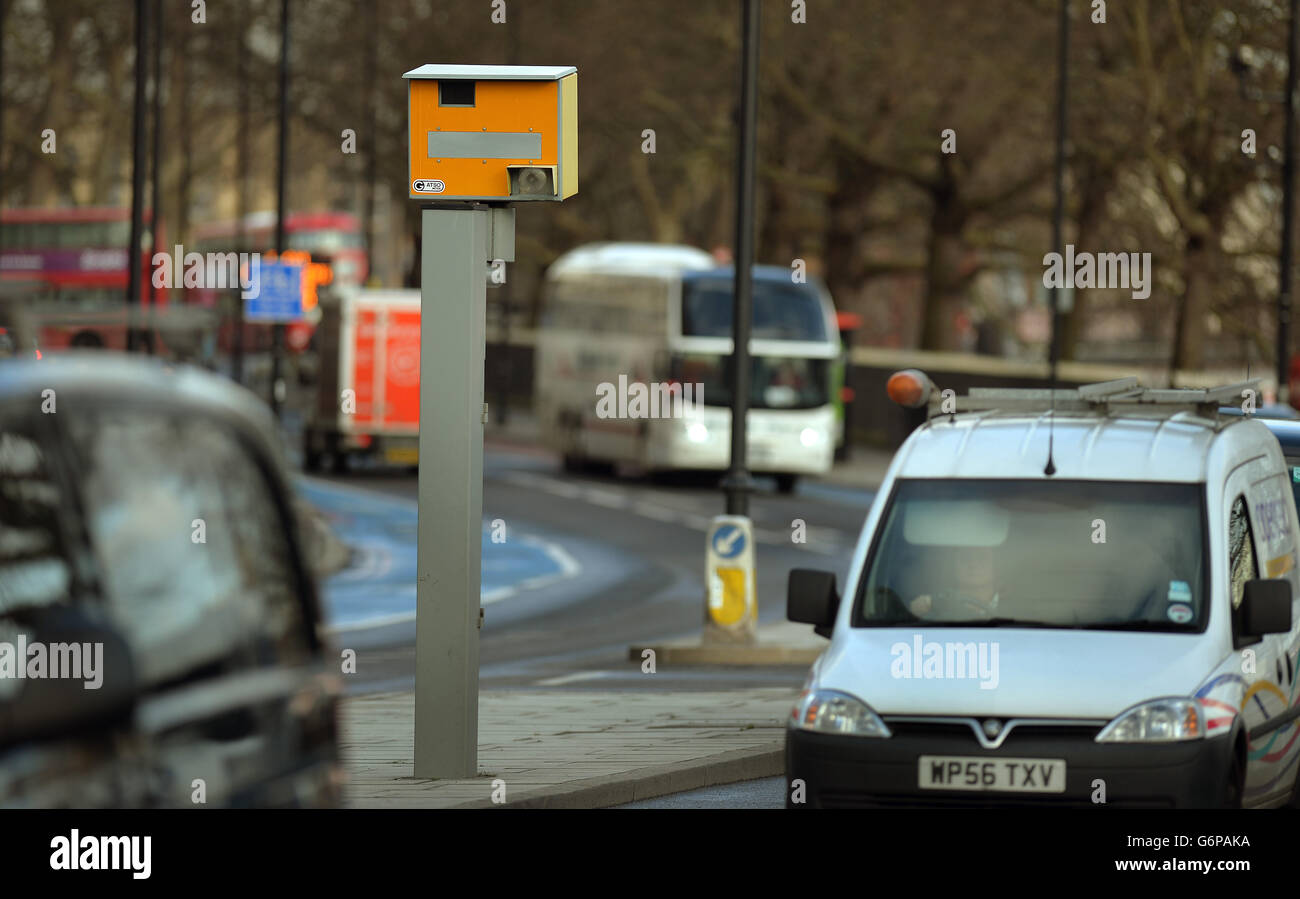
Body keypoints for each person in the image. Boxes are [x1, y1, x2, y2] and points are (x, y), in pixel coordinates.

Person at [909, 545, 1000, 620]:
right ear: (954, 566)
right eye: (965, 558)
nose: (973, 564)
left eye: (982, 558)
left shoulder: (1010, 604)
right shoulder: (937, 603)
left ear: (995, 565)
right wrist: (916, 609)